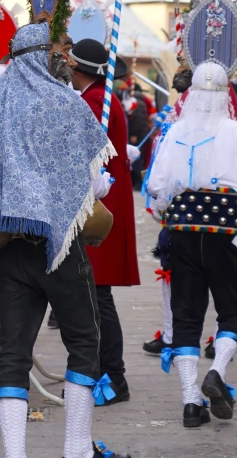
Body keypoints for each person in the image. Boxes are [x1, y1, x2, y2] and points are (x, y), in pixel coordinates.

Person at [0, 23, 128, 458]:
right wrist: (103, 183)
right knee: (84, 341)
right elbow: (90, 183)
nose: (68, 58)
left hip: (8, 246)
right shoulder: (63, 102)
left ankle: (14, 455)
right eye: (63, 50)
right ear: (45, 54)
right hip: (57, 245)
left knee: (13, 352)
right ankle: (76, 449)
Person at [147, 63, 237, 428]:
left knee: (186, 317)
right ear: (226, 95)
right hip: (227, 237)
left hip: (183, 235)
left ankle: (191, 402)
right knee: (233, 312)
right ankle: (217, 372)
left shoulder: (173, 133)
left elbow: (157, 186)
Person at [68, 38, 140, 403]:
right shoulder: (100, 99)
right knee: (96, 295)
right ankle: (104, 372)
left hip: (100, 206)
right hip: (106, 202)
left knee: (98, 296)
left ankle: (113, 377)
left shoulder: (96, 102)